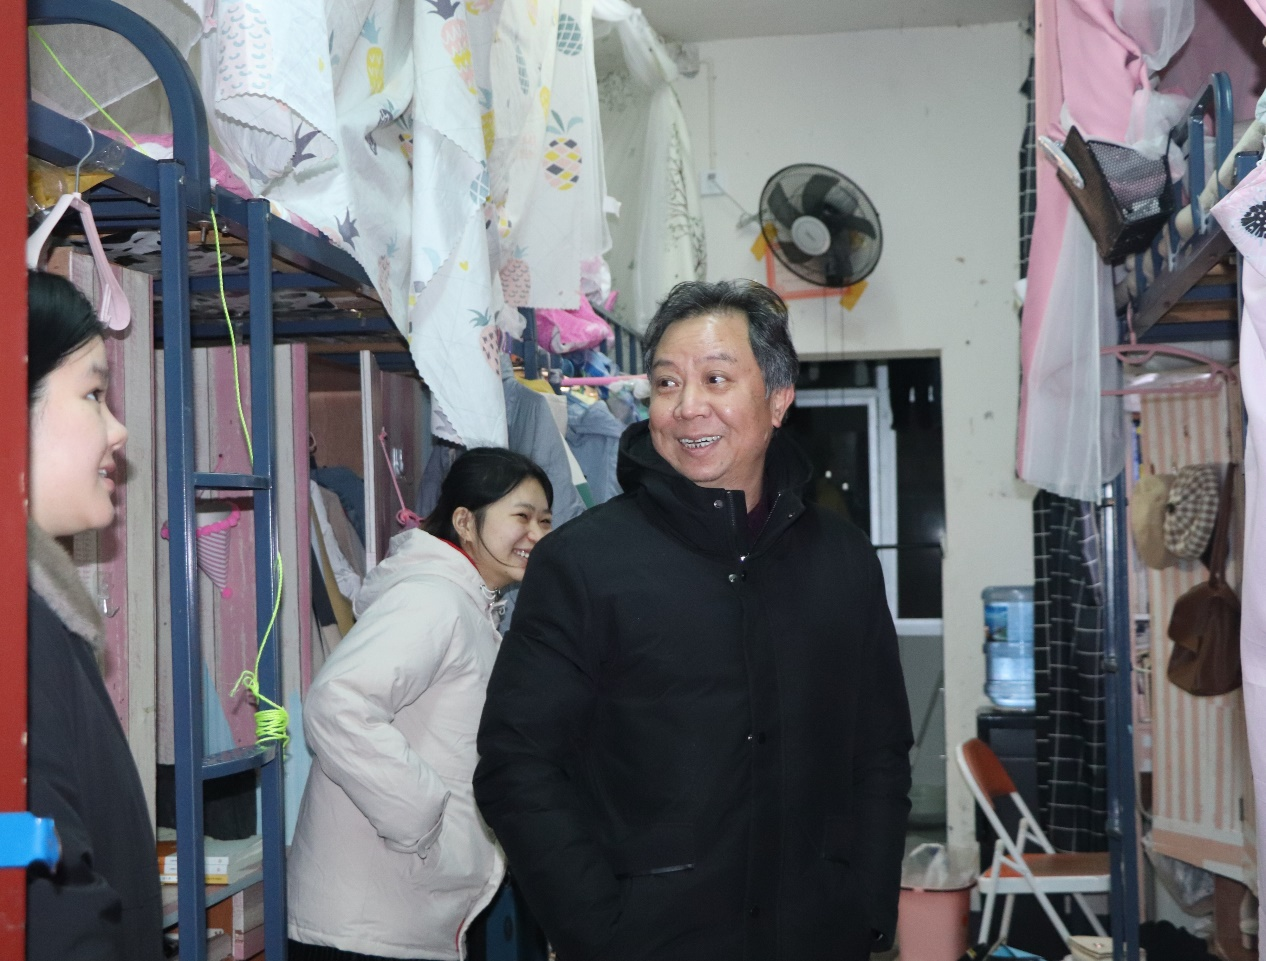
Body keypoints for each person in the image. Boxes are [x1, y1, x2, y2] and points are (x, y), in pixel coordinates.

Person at [474, 280, 913, 961]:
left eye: (716, 378)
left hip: (816, 935)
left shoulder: (843, 560)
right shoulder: (584, 563)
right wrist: (597, 927)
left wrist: (867, 909)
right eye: (667, 383)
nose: (687, 407)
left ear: (778, 399)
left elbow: (879, 750)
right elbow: (516, 764)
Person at [288, 447, 554, 961]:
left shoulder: (471, 607)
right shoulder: (433, 600)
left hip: (401, 915)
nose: (537, 535)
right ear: (466, 522)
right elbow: (337, 704)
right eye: (521, 517)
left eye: (545, 521)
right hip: (367, 924)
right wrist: (424, 820)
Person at [25, 270, 162, 959]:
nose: (118, 429)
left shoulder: (38, 612)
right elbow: (37, 870)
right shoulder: (15, 632)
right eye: (93, 394)